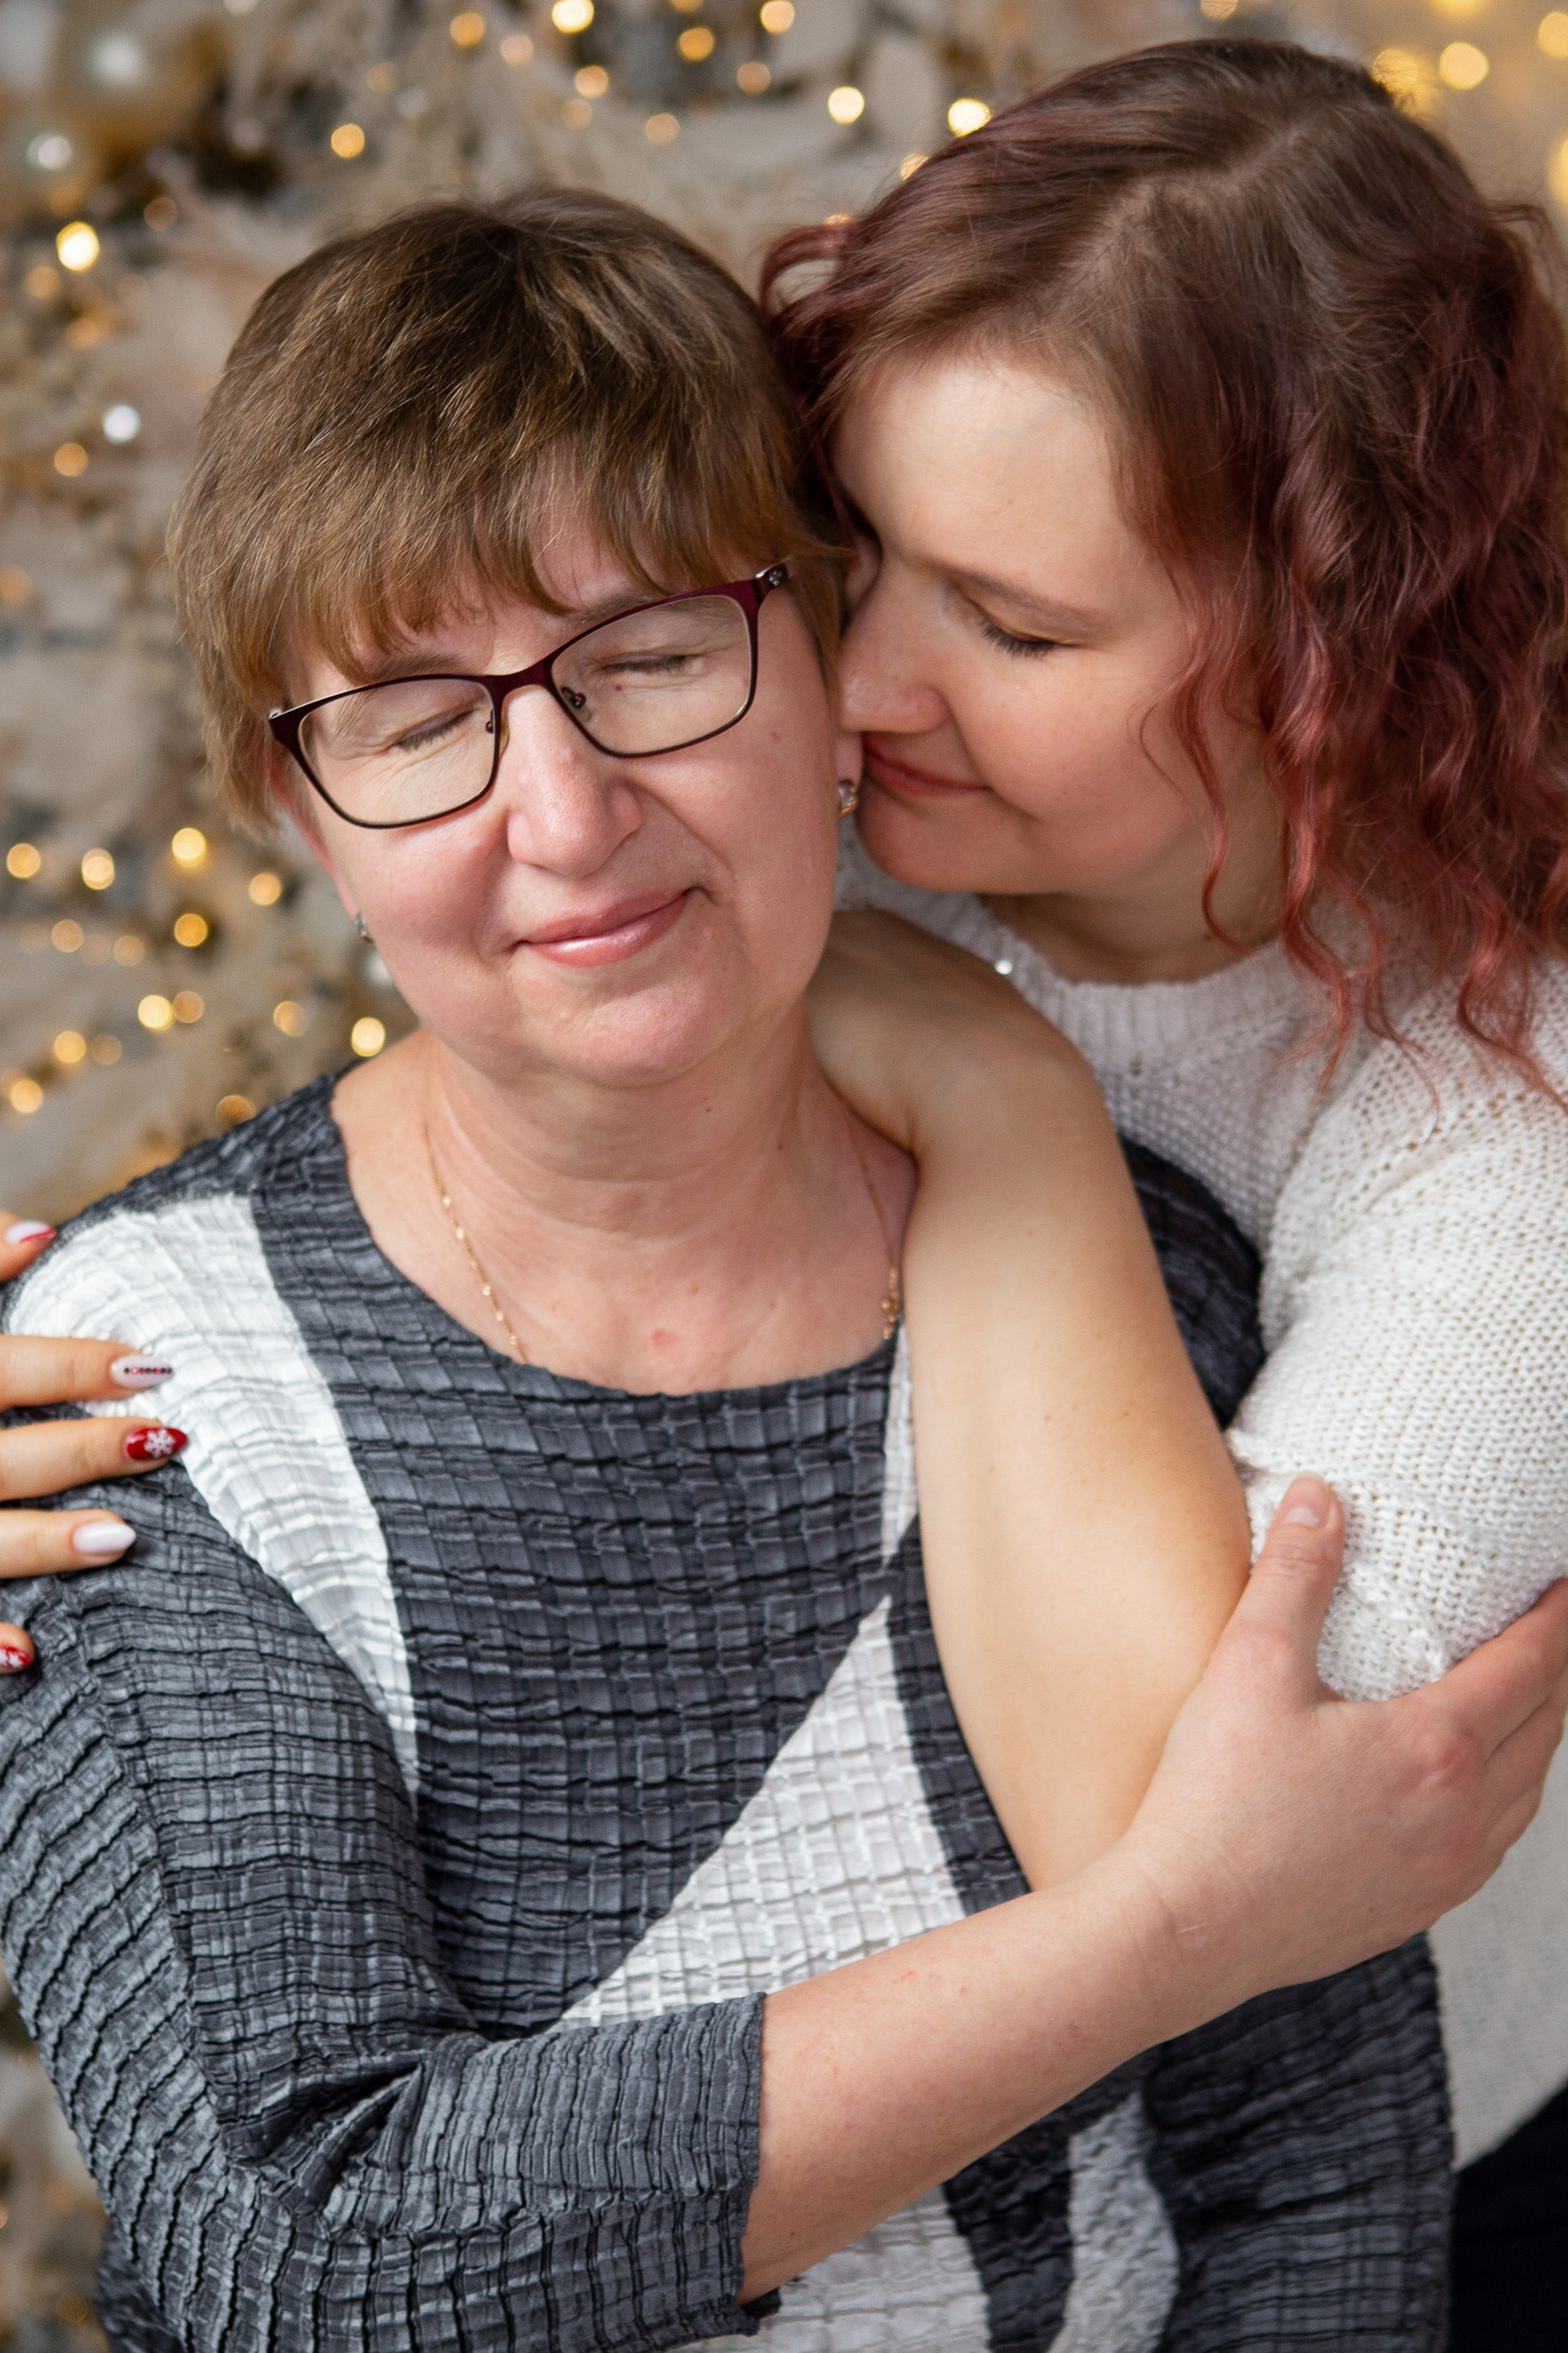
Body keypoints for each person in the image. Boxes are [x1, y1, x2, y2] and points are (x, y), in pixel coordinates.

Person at [1, 188, 1564, 2353]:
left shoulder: (1143, 1294)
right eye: (417, 717)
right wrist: (1183, 1923)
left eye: (649, 656)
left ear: (809, 682)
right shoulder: (131, 1395)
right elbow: (310, 2246)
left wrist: (1000, 1099)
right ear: (296, 810)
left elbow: (1306, 2177)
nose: (560, 811)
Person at [761, 35, 1568, 2345]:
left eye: (1011, 628)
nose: (858, 683)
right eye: (851, 557)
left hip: (1364, 2201)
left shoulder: (1489, 1124)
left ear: (1332, 665)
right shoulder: (767, 817)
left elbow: (1165, 1830)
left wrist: (982, 1093)